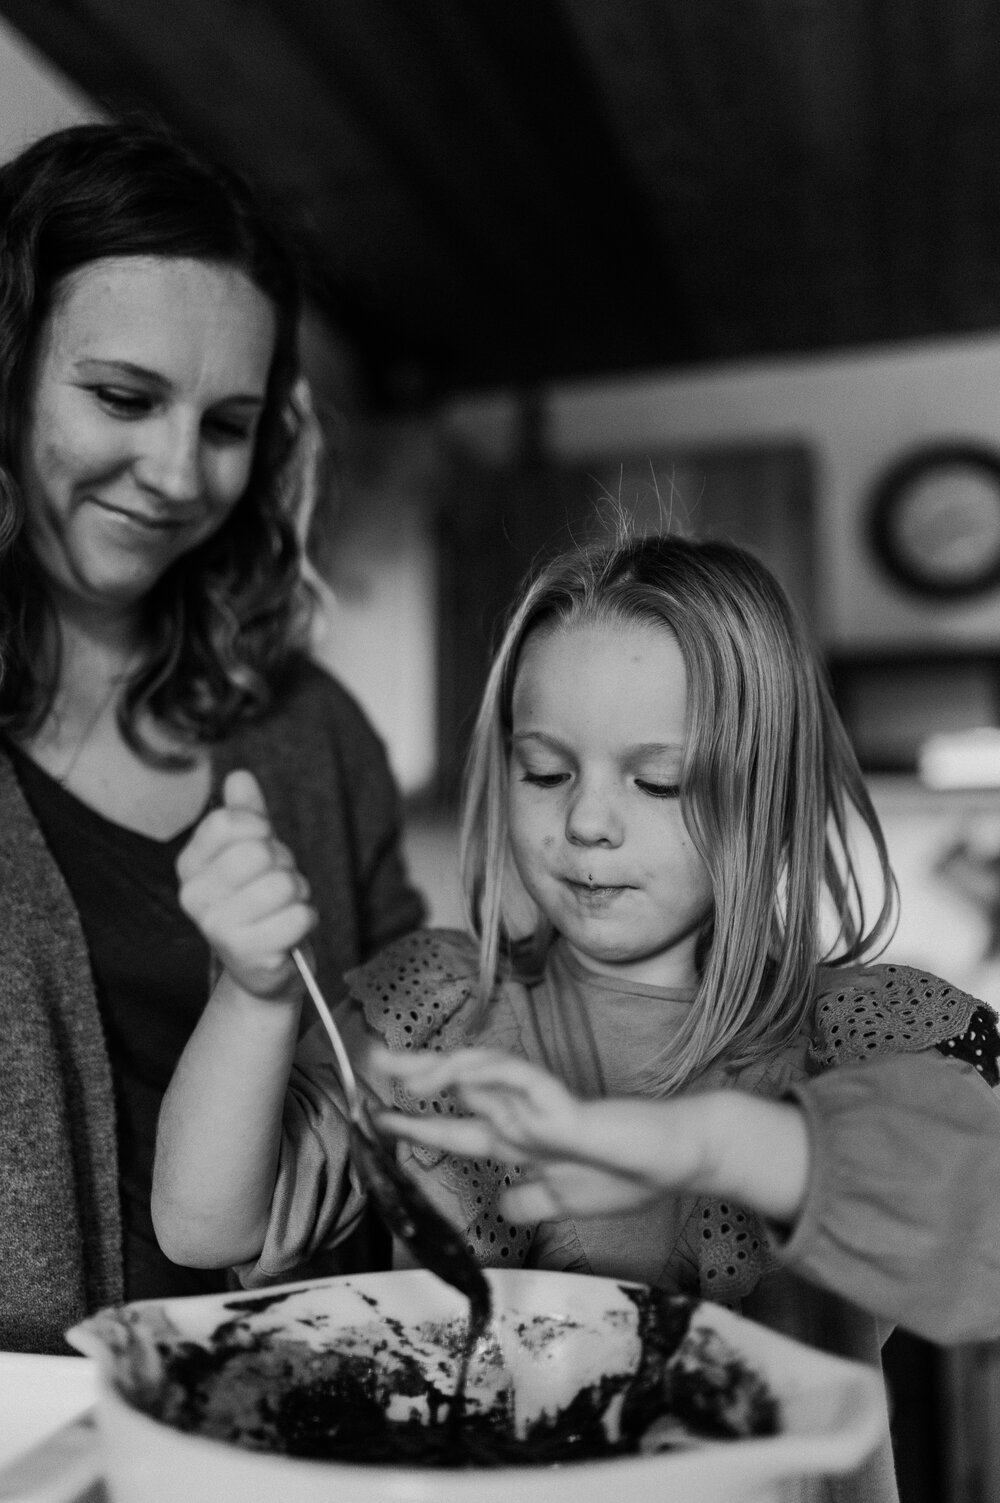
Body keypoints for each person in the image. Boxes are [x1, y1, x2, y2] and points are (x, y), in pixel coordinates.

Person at [154, 530, 1000, 1503]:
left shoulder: (875, 1027)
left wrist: (715, 1144)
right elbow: (204, 1224)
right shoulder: (431, 1006)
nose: (587, 821)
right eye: (547, 772)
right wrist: (254, 993)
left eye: (657, 779)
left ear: (771, 792)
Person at [0, 120, 424, 1353]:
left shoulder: (309, 727)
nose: (179, 474)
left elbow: (417, 1000)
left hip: (307, 1407)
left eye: (228, 424)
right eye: (124, 397)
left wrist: (347, 1110)